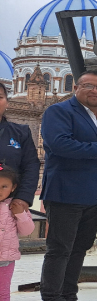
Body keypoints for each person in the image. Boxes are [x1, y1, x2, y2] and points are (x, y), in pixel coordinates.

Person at [39, 70, 97, 301]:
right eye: (89, 86)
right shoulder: (59, 112)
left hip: (95, 195)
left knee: (79, 248)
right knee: (59, 249)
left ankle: (68, 298)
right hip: (66, 193)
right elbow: (59, 144)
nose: (95, 91)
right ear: (77, 87)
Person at [0, 166, 36, 301]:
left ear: (13, 187)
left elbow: (28, 230)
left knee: (2, 292)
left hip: (5, 260)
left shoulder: (15, 206)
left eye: (4, 186)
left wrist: (21, 214)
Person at [0, 82, 40, 221]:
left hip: (7, 208)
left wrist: (23, 198)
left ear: (7, 103)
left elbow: (31, 166)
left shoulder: (21, 132)